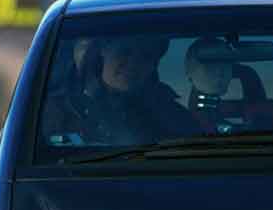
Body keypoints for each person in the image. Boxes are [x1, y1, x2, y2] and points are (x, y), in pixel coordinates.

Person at [43, 34, 199, 145]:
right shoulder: (52, 112)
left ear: (154, 64)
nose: (133, 64)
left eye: (145, 56)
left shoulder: (173, 118)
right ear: (104, 50)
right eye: (125, 52)